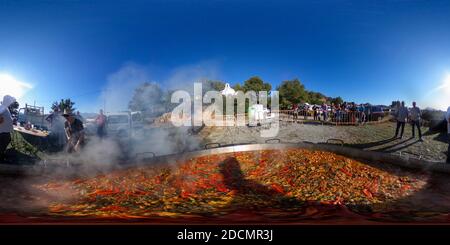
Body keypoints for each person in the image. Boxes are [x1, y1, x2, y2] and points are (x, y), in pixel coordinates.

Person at [0, 95, 16, 162]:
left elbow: (6, 117)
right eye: (10, 101)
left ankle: (1, 154)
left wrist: (11, 120)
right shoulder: (2, 107)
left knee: (7, 140)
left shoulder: (5, 108)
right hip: (2, 132)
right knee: (3, 143)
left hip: (5, 131)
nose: (11, 102)